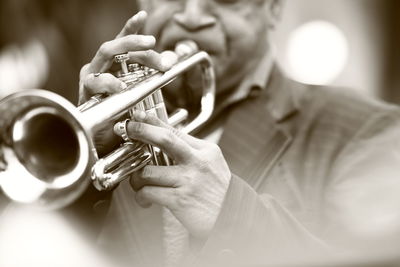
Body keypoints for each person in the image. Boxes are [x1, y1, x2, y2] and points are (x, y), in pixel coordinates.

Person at [79, 0, 400, 266]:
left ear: (274, 8)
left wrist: (232, 212)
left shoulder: (366, 129)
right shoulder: (110, 129)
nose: (191, 17)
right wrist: (82, 155)